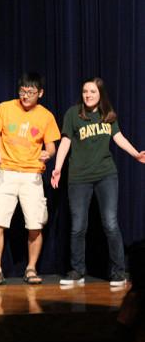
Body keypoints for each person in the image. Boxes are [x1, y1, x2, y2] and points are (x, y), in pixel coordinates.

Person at [51, 78, 145, 287]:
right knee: (78, 227)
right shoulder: (72, 114)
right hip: (78, 178)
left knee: (110, 224)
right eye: (85, 91)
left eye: (92, 91)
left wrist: (135, 154)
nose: (88, 95)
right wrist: (57, 167)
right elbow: (65, 142)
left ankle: (119, 272)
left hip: (106, 175)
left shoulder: (108, 115)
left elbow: (118, 137)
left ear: (100, 93)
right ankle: (77, 271)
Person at [0, 72, 60, 286]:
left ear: (40, 93)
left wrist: (48, 153)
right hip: (6, 172)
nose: (26, 96)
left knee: (35, 224)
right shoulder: (5, 108)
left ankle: (31, 268)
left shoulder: (46, 116)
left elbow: (51, 145)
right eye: (23, 91)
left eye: (31, 92)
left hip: (32, 175)